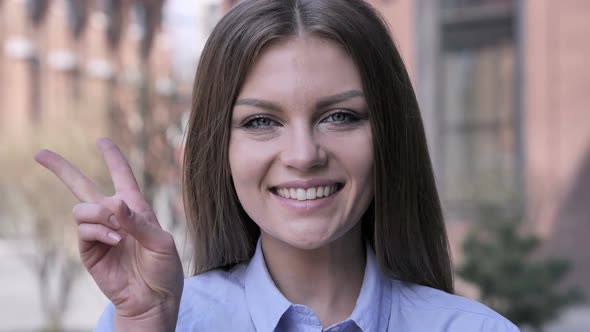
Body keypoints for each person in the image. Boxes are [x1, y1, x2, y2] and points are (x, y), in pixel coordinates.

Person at [35, 0, 520, 331]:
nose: (303, 154)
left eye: (340, 116)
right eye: (261, 121)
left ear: (388, 134)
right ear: (217, 149)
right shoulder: (155, 319)